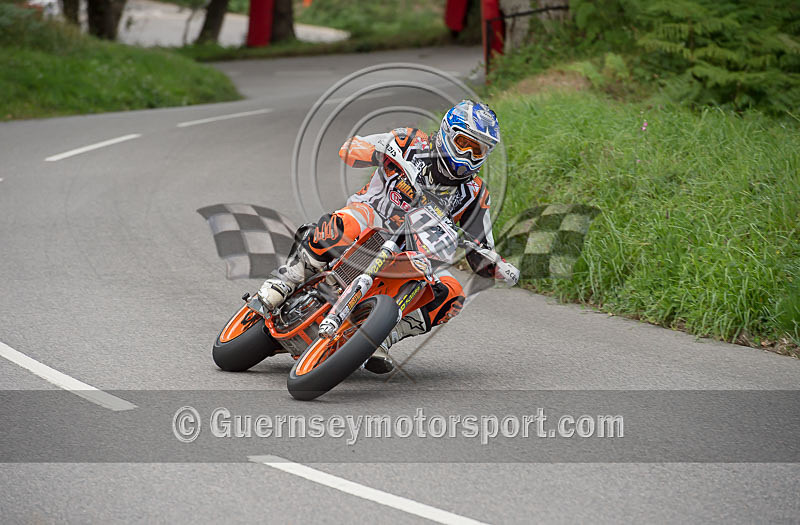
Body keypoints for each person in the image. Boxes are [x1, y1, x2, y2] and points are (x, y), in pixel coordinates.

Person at [257, 100, 519, 373]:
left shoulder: (476, 193)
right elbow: (348, 151)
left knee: (452, 293)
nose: (469, 154)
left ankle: (382, 336)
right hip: (371, 217)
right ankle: (287, 280)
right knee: (348, 223)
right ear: (447, 133)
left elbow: (482, 246)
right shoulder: (408, 141)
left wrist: (496, 265)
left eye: (479, 149)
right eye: (465, 143)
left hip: (416, 249)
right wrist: (380, 150)